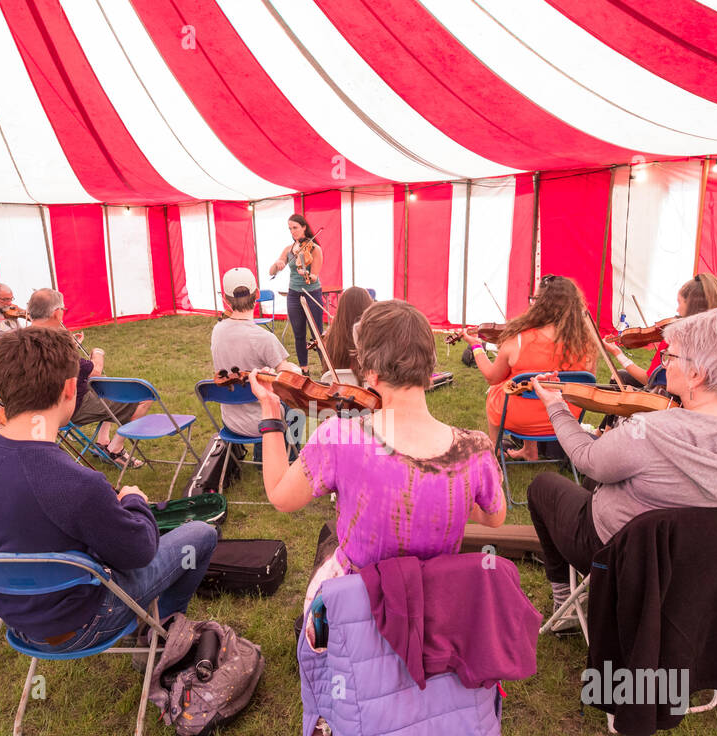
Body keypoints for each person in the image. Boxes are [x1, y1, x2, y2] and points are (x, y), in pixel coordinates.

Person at [250, 298, 507, 639]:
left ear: (370, 371)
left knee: (328, 544)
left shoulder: (340, 437)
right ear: (429, 366)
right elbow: (494, 517)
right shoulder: (474, 449)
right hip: (434, 612)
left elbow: (281, 497)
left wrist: (270, 411)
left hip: (359, 612)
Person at [0, 326, 217, 651]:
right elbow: (139, 553)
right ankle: (163, 631)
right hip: (84, 623)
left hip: (17, 618)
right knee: (201, 534)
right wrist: (134, 501)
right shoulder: (77, 483)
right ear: (70, 389)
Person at [526, 308, 717, 622]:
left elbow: (587, 460)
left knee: (543, 486)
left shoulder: (651, 432)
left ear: (698, 374)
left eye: (671, 357)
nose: (665, 364)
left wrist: (556, 408)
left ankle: (563, 604)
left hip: (629, 559)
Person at [465, 275, 598, 461]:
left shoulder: (518, 340)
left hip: (519, 418)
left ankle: (494, 455)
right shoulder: (587, 345)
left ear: (541, 303)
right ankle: (529, 450)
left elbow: (492, 377)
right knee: (535, 386)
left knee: (498, 388)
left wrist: (477, 347)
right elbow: (586, 387)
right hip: (564, 419)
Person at [25, 288, 149, 464]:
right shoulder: (58, 344)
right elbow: (94, 371)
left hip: (37, 408)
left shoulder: (17, 341)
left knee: (106, 386)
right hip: (67, 407)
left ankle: (103, 441)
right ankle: (116, 450)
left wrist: (72, 346)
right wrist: (97, 353)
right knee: (143, 396)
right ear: (55, 312)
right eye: (63, 309)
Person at [210, 267, 300, 442]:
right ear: (257, 294)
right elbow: (288, 379)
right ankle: (291, 457)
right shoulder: (264, 338)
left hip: (230, 421)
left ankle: (261, 456)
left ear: (225, 299)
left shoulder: (217, 330)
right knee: (297, 402)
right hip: (265, 421)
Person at [602, 273, 717, 387]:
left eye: (679, 303)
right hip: (710, 401)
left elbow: (649, 380)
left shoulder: (675, 339)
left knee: (619, 378)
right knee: (623, 376)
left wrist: (617, 353)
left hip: (673, 402)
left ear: (692, 307)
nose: (677, 310)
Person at [268, 214, 324, 373]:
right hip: (293, 294)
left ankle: (325, 367)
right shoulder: (288, 249)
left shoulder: (315, 249)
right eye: (290, 229)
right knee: (298, 334)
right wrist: (277, 263)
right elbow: (271, 271)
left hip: (312, 293)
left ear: (304, 227)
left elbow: (314, 277)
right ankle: (304, 370)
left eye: (295, 228)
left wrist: (305, 274)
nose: (293, 231)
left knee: (316, 334)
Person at [318, 286, 373, 386]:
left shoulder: (330, 339)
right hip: (369, 395)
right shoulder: (375, 338)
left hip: (338, 396)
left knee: (312, 402)